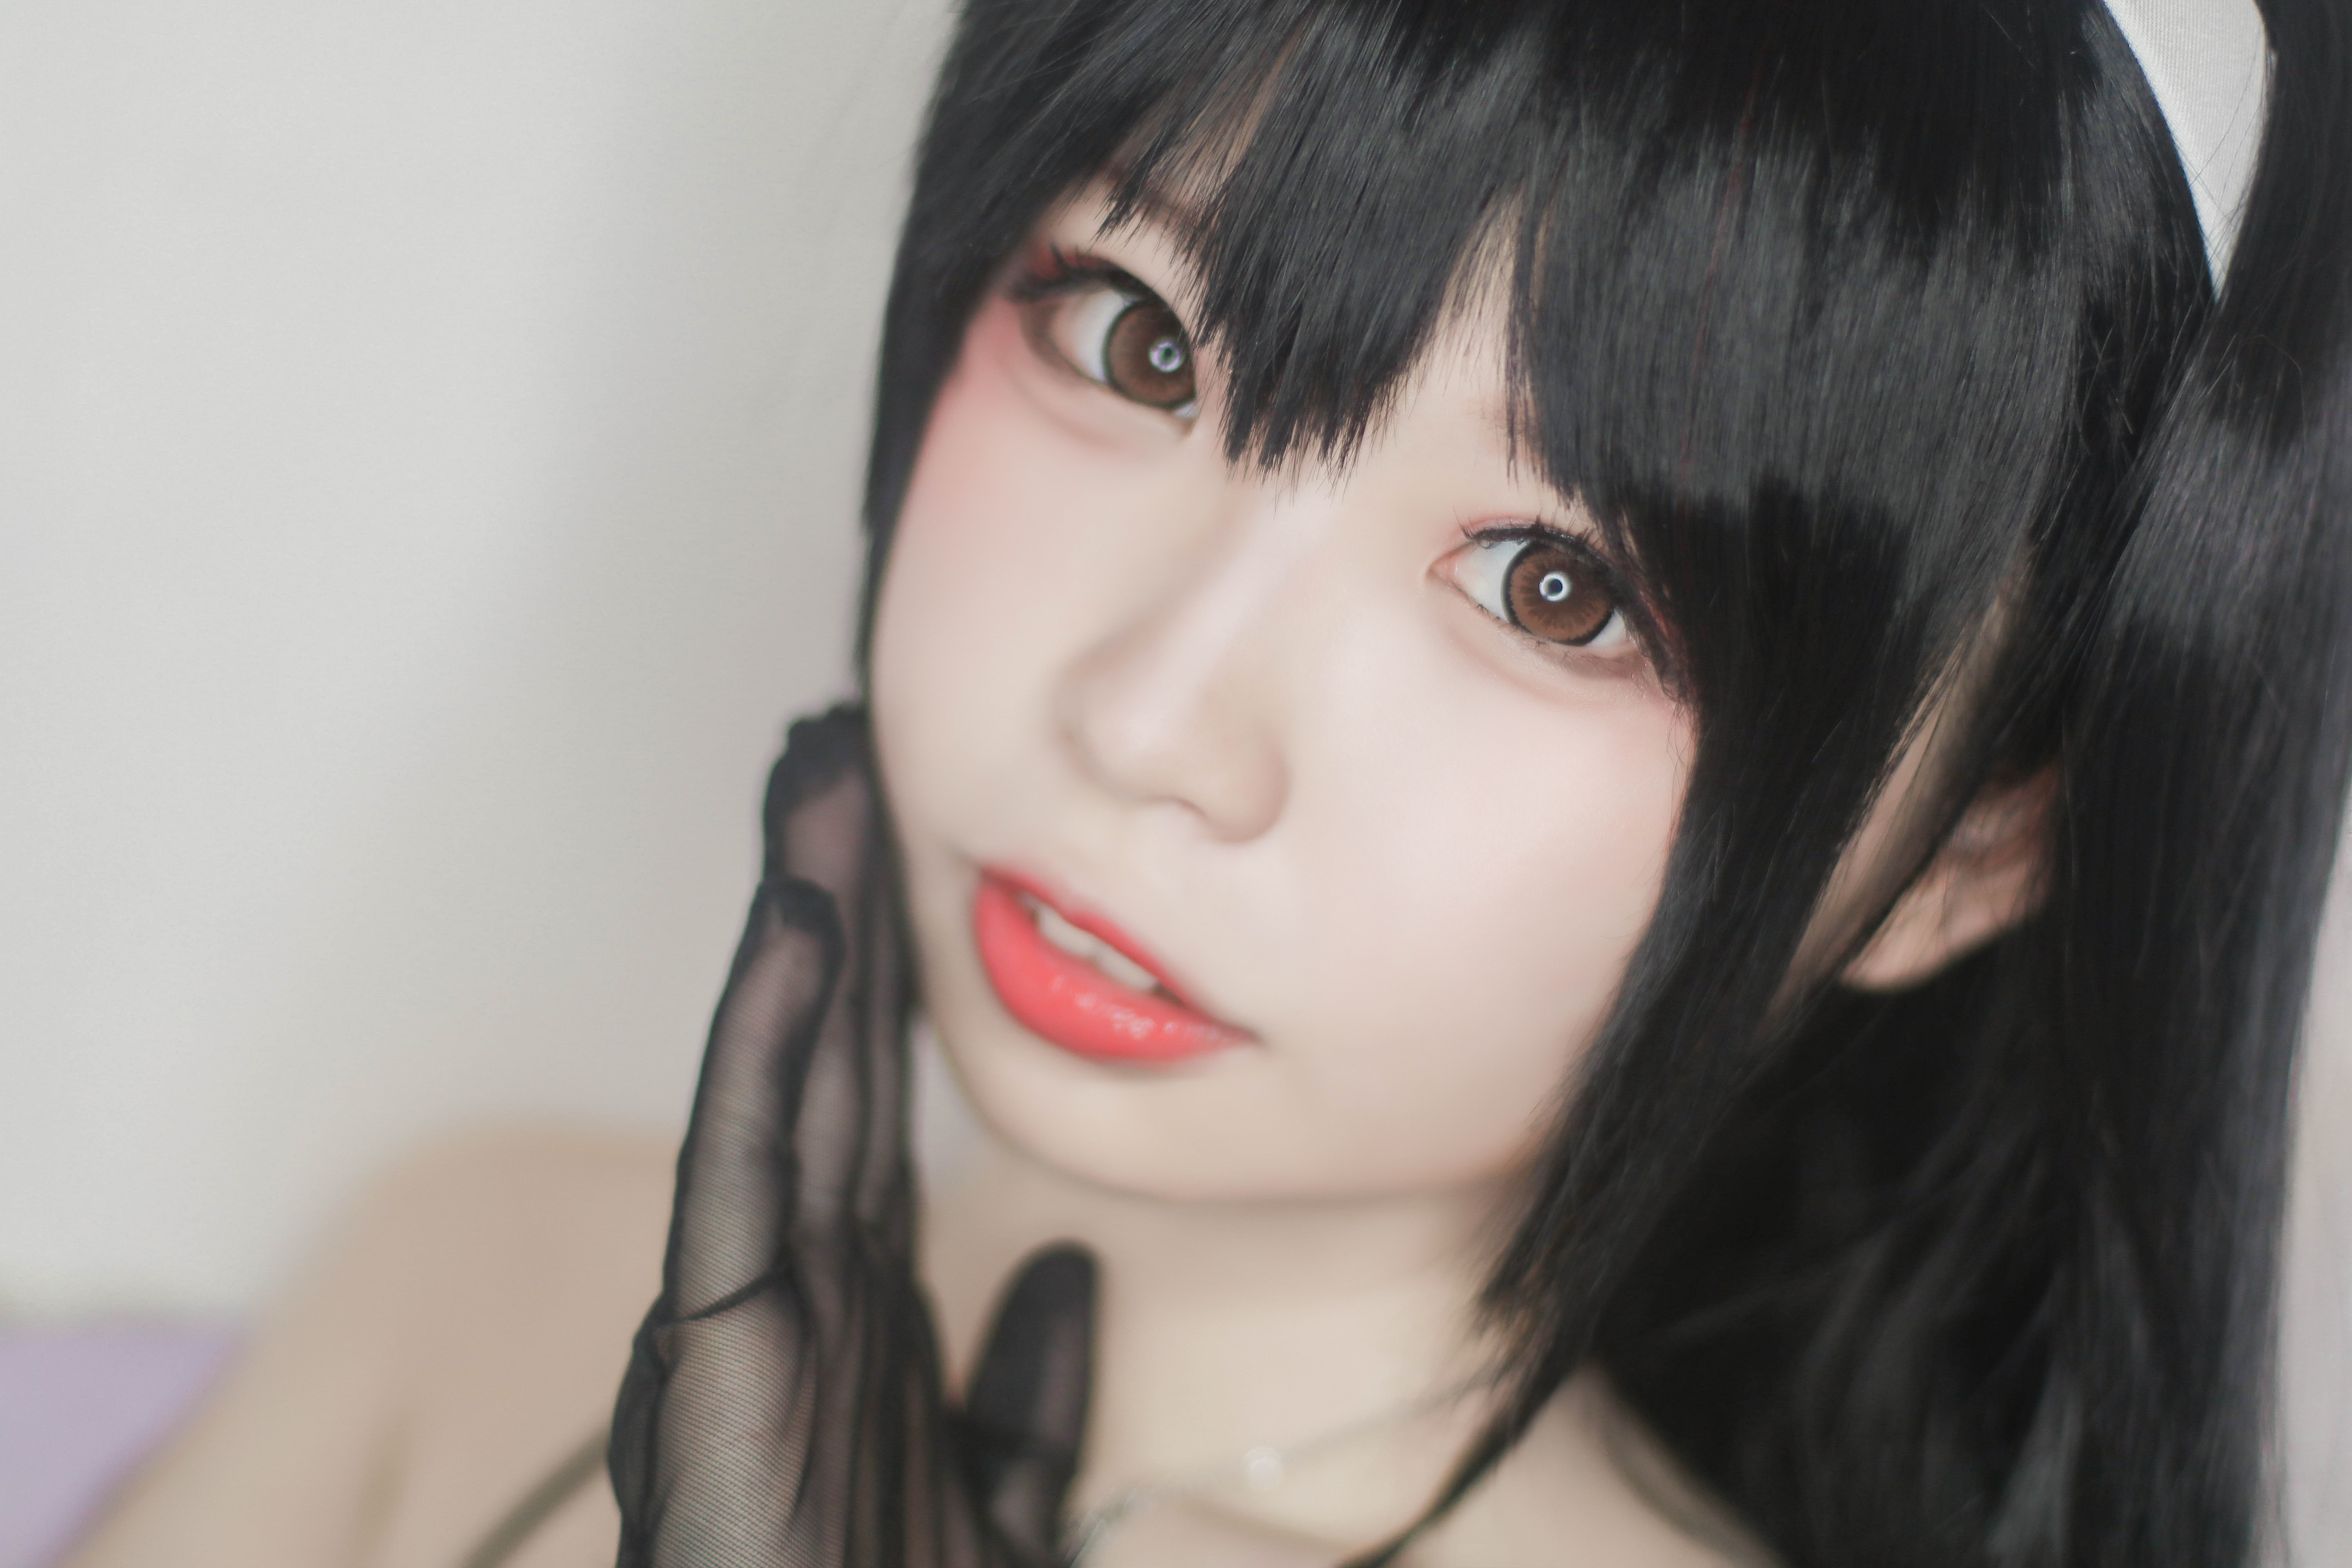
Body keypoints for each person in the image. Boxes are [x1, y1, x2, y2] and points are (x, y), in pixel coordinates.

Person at [69, 1, 2352, 1565]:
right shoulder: (473, 1270)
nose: (1152, 723)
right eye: (1135, 338)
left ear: (1975, 846)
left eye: (1557, 590)